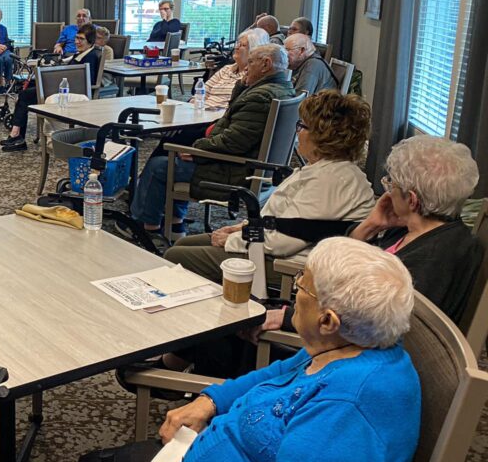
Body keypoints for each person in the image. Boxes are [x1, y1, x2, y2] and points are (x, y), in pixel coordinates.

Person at [73, 238, 421, 462]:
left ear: (328, 320)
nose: (295, 291)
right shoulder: (350, 347)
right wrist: (210, 401)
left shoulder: (348, 408)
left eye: (303, 285)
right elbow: (279, 372)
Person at [157, 91, 375, 377]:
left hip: (294, 266)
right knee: (187, 243)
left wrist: (234, 239)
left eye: (303, 127)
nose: (298, 134)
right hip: (286, 250)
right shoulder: (328, 172)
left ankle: (192, 356)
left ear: (323, 135)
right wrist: (240, 229)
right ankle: (189, 351)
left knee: (178, 257)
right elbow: (287, 223)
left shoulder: (331, 180)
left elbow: (283, 241)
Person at [130, 44, 295, 233]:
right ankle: (176, 223)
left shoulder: (260, 97)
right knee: (174, 153)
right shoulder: (284, 89)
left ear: (266, 64)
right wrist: (242, 85)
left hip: (235, 173)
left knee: (158, 166)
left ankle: (146, 227)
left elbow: (233, 142)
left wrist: (198, 150)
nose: (246, 67)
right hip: (256, 169)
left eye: (250, 62)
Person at [350, 136, 483, 323]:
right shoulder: (411, 228)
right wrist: (369, 226)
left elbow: (374, 323)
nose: (388, 192)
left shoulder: (431, 260)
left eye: (391, 184)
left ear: (411, 200)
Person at [2, 24, 101, 152]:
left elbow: (85, 81)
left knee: (25, 96)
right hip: (60, 87)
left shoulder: (91, 57)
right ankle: (17, 135)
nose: (77, 41)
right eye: (76, 38)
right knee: (25, 90)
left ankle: (16, 135)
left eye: (81, 39)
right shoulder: (81, 53)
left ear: (90, 41)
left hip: (68, 93)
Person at [201, 28, 269, 110]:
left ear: (254, 50)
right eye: (237, 44)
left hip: (221, 116)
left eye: (243, 45)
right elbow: (202, 91)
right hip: (204, 111)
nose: (236, 47)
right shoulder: (226, 69)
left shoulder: (251, 76)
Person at [285, 32, 337, 97]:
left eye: (287, 50)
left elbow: (300, 98)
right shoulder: (304, 63)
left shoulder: (312, 66)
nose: (284, 54)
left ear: (302, 50)